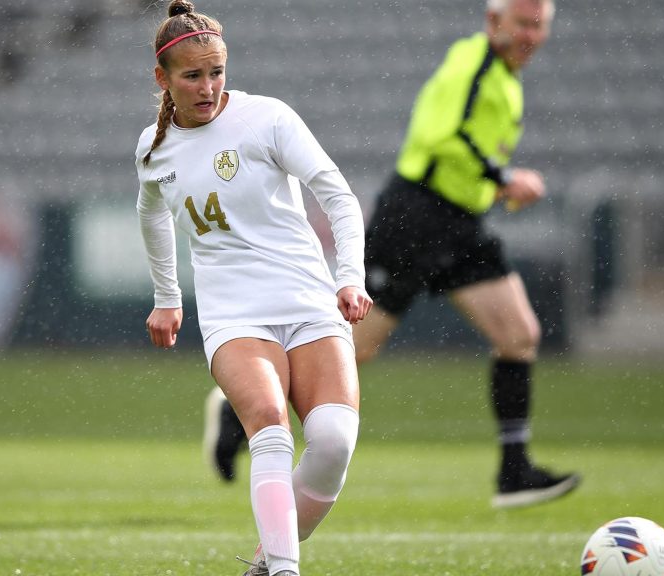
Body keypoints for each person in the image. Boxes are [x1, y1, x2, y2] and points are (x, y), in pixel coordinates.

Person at [206, 0, 579, 510]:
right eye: (523, 24)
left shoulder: (506, 82)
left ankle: (513, 472)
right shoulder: (471, 64)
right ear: (495, 23)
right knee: (355, 348)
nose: (531, 35)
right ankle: (239, 407)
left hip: (462, 224)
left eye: (539, 26)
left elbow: (460, 151)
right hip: (416, 219)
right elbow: (439, 135)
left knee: (520, 335)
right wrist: (503, 177)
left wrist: (490, 187)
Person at [135, 2, 373, 575]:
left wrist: (350, 277)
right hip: (233, 313)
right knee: (268, 418)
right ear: (162, 79)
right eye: (192, 75)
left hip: (307, 298)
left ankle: (267, 562)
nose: (208, 87)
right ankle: (287, 571)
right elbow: (151, 214)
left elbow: (338, 197)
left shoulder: (267, 118)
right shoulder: (153, 148)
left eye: (217, 71)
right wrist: (168, 297)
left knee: (335, 442)